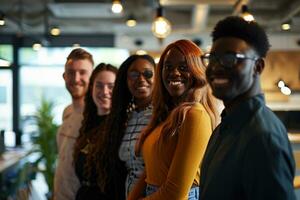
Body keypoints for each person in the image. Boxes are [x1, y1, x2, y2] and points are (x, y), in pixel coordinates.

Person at [200, 16, 296, 200]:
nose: (216, 67)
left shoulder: (263, 136)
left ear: (257, 67)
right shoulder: (225, 126)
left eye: (230, 58)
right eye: (213, 58)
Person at [128, 39, 219, 199]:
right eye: (168, 67)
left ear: (196, 72)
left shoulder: (195, 115)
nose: (175, 73)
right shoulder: (166, 115)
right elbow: (149, 174)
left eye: (183, 67)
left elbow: (175, 194)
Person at [98, 54, 156, 199]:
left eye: (148, 73)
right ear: (126, 80)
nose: (141, 79)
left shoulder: (163, 116)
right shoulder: (125, 118)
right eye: (134, 74)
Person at [73, 63, 118, 199]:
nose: (104, 92)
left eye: (111, 86)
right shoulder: (87, 125)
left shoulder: (122, 127)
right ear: (91, 87)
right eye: (99, 85)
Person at [54, 48, 93, 200]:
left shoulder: (96, 117)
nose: (76, 78)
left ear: (92, 76)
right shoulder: (67, 112)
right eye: (71, 72)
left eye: (82, 72)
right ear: (64, 76)